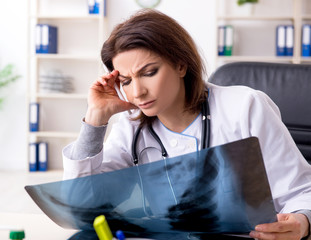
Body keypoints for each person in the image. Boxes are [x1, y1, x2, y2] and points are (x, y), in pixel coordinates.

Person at [62, 9, 311, 240]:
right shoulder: (132, 125)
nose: (137, 92)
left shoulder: (245, 107)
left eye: (149, 73)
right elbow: (82, 206)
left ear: (181, 64)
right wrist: (96, 118)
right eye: (126, 81)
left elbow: (300, 191)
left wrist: (302, 222)